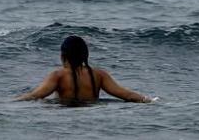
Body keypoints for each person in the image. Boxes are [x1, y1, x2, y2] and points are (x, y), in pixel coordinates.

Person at [16, 35, 154, 104]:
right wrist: (149, 100)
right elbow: (127, 95)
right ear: (85, 55)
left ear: (63, 55)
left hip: (62, 116)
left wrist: (10, 102)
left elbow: (35, 96)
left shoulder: (58, 75)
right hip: (90, 114)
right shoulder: (99, 75)